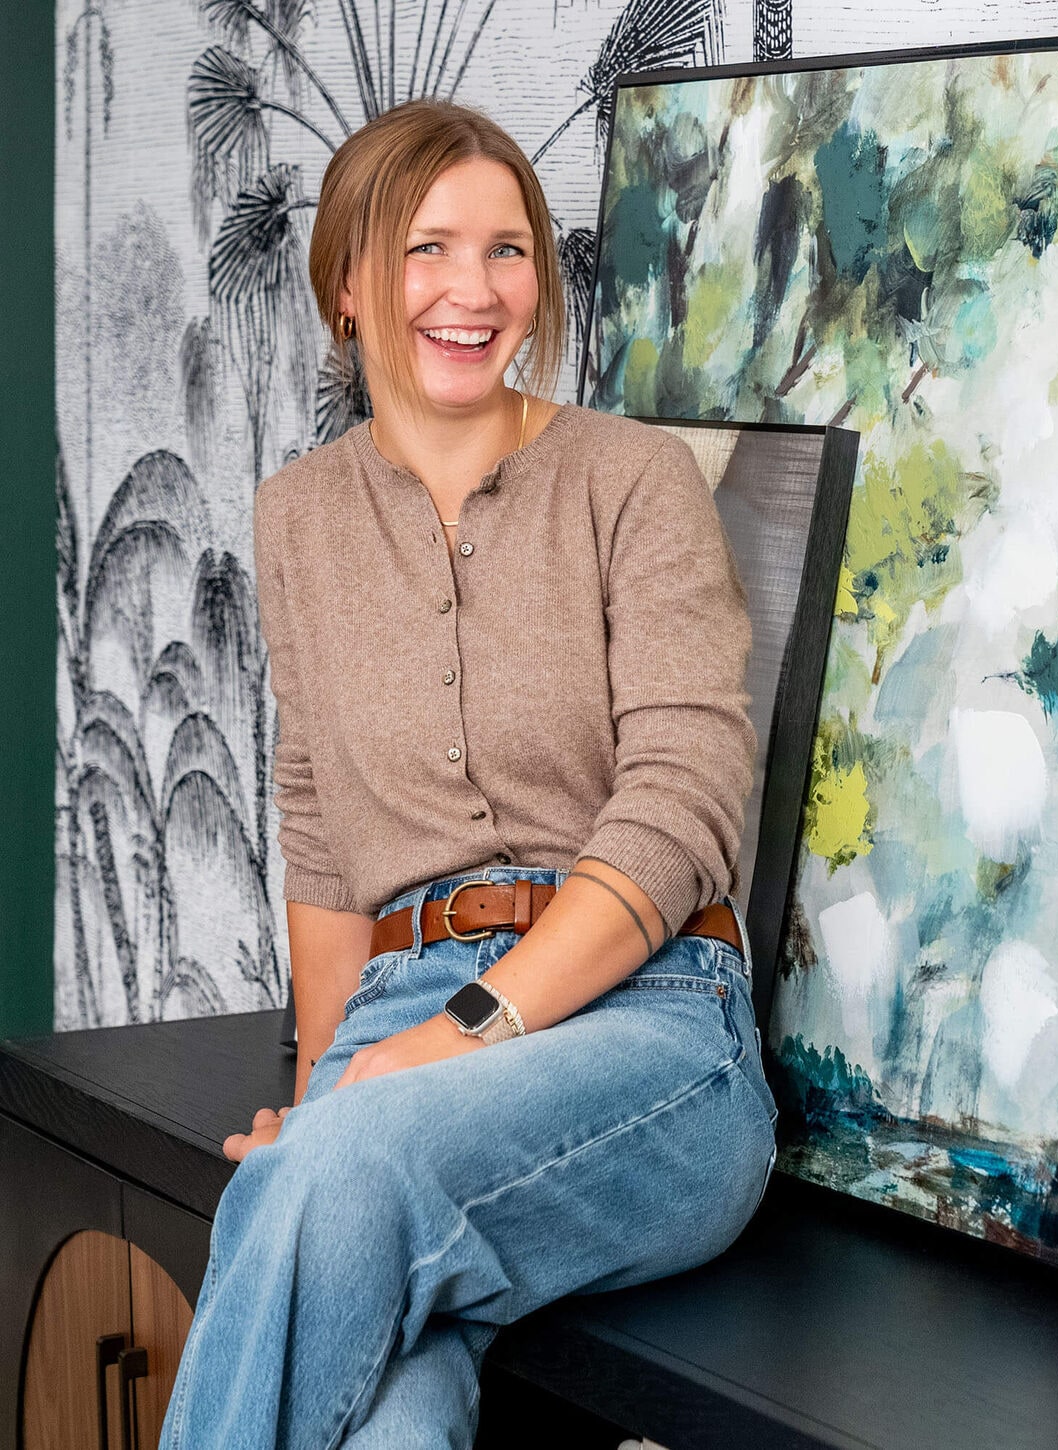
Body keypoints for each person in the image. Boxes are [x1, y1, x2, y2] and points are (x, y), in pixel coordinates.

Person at [160, 98, 776, 1449]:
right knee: (388, 1414)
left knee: (347, 1167)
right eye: (427, 249)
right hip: (398, 1032)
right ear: (349, 286)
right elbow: (320, 830)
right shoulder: (297, 517)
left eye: (506, 252)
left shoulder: (634, 482)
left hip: (652, 1028)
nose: (471, 289)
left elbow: (680, 801)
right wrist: (332, 1089)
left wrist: (455, 1041)